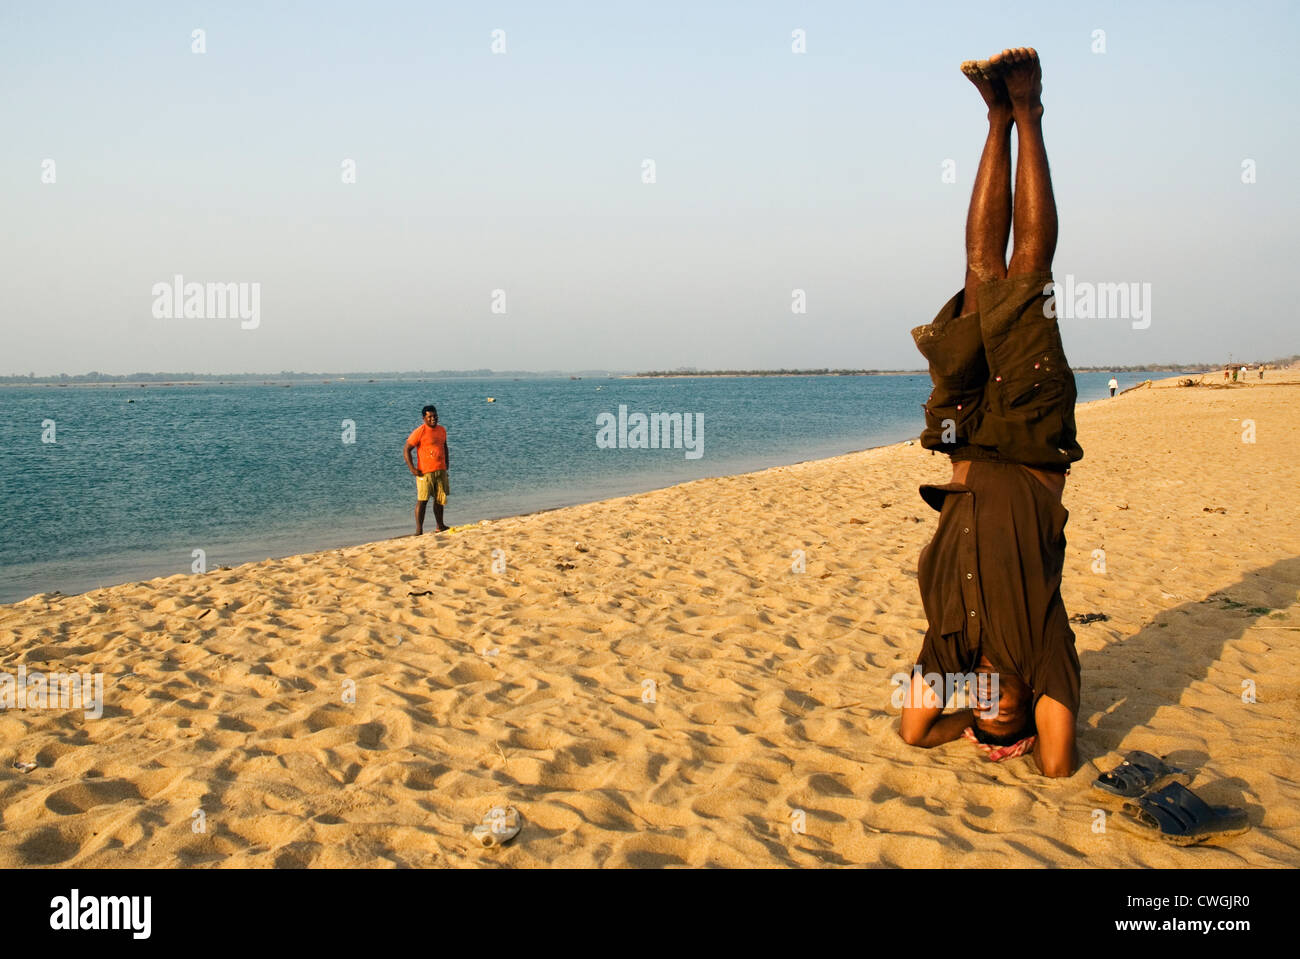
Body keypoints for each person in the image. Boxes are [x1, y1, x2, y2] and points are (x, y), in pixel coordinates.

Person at [901, 48, 1081, 778]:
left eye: (983, 710)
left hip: (965, 436)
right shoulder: (1042, 649)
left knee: (980, 271)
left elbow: (913, 729)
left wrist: (963, 732)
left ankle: (993, 116)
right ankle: (1030, 111)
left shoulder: (946, 652)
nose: (995, 706)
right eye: (1011, 714)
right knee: (1028, 272)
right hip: (1033, 440)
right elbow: (1057, 766)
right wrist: (1024, 740)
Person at [404, 405, 450, 534]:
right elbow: (407, 449)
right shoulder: (420, 431)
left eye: (435, 416)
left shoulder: (442, 430)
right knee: (423, 500)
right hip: (425, 472)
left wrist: (446, 463)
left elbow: (444, 446)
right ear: (424, 418)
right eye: (429, 417)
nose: (433, 419)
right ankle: (419, 530)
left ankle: (440, 526)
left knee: (440, 499)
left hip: (440, 469)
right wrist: (412, 468)